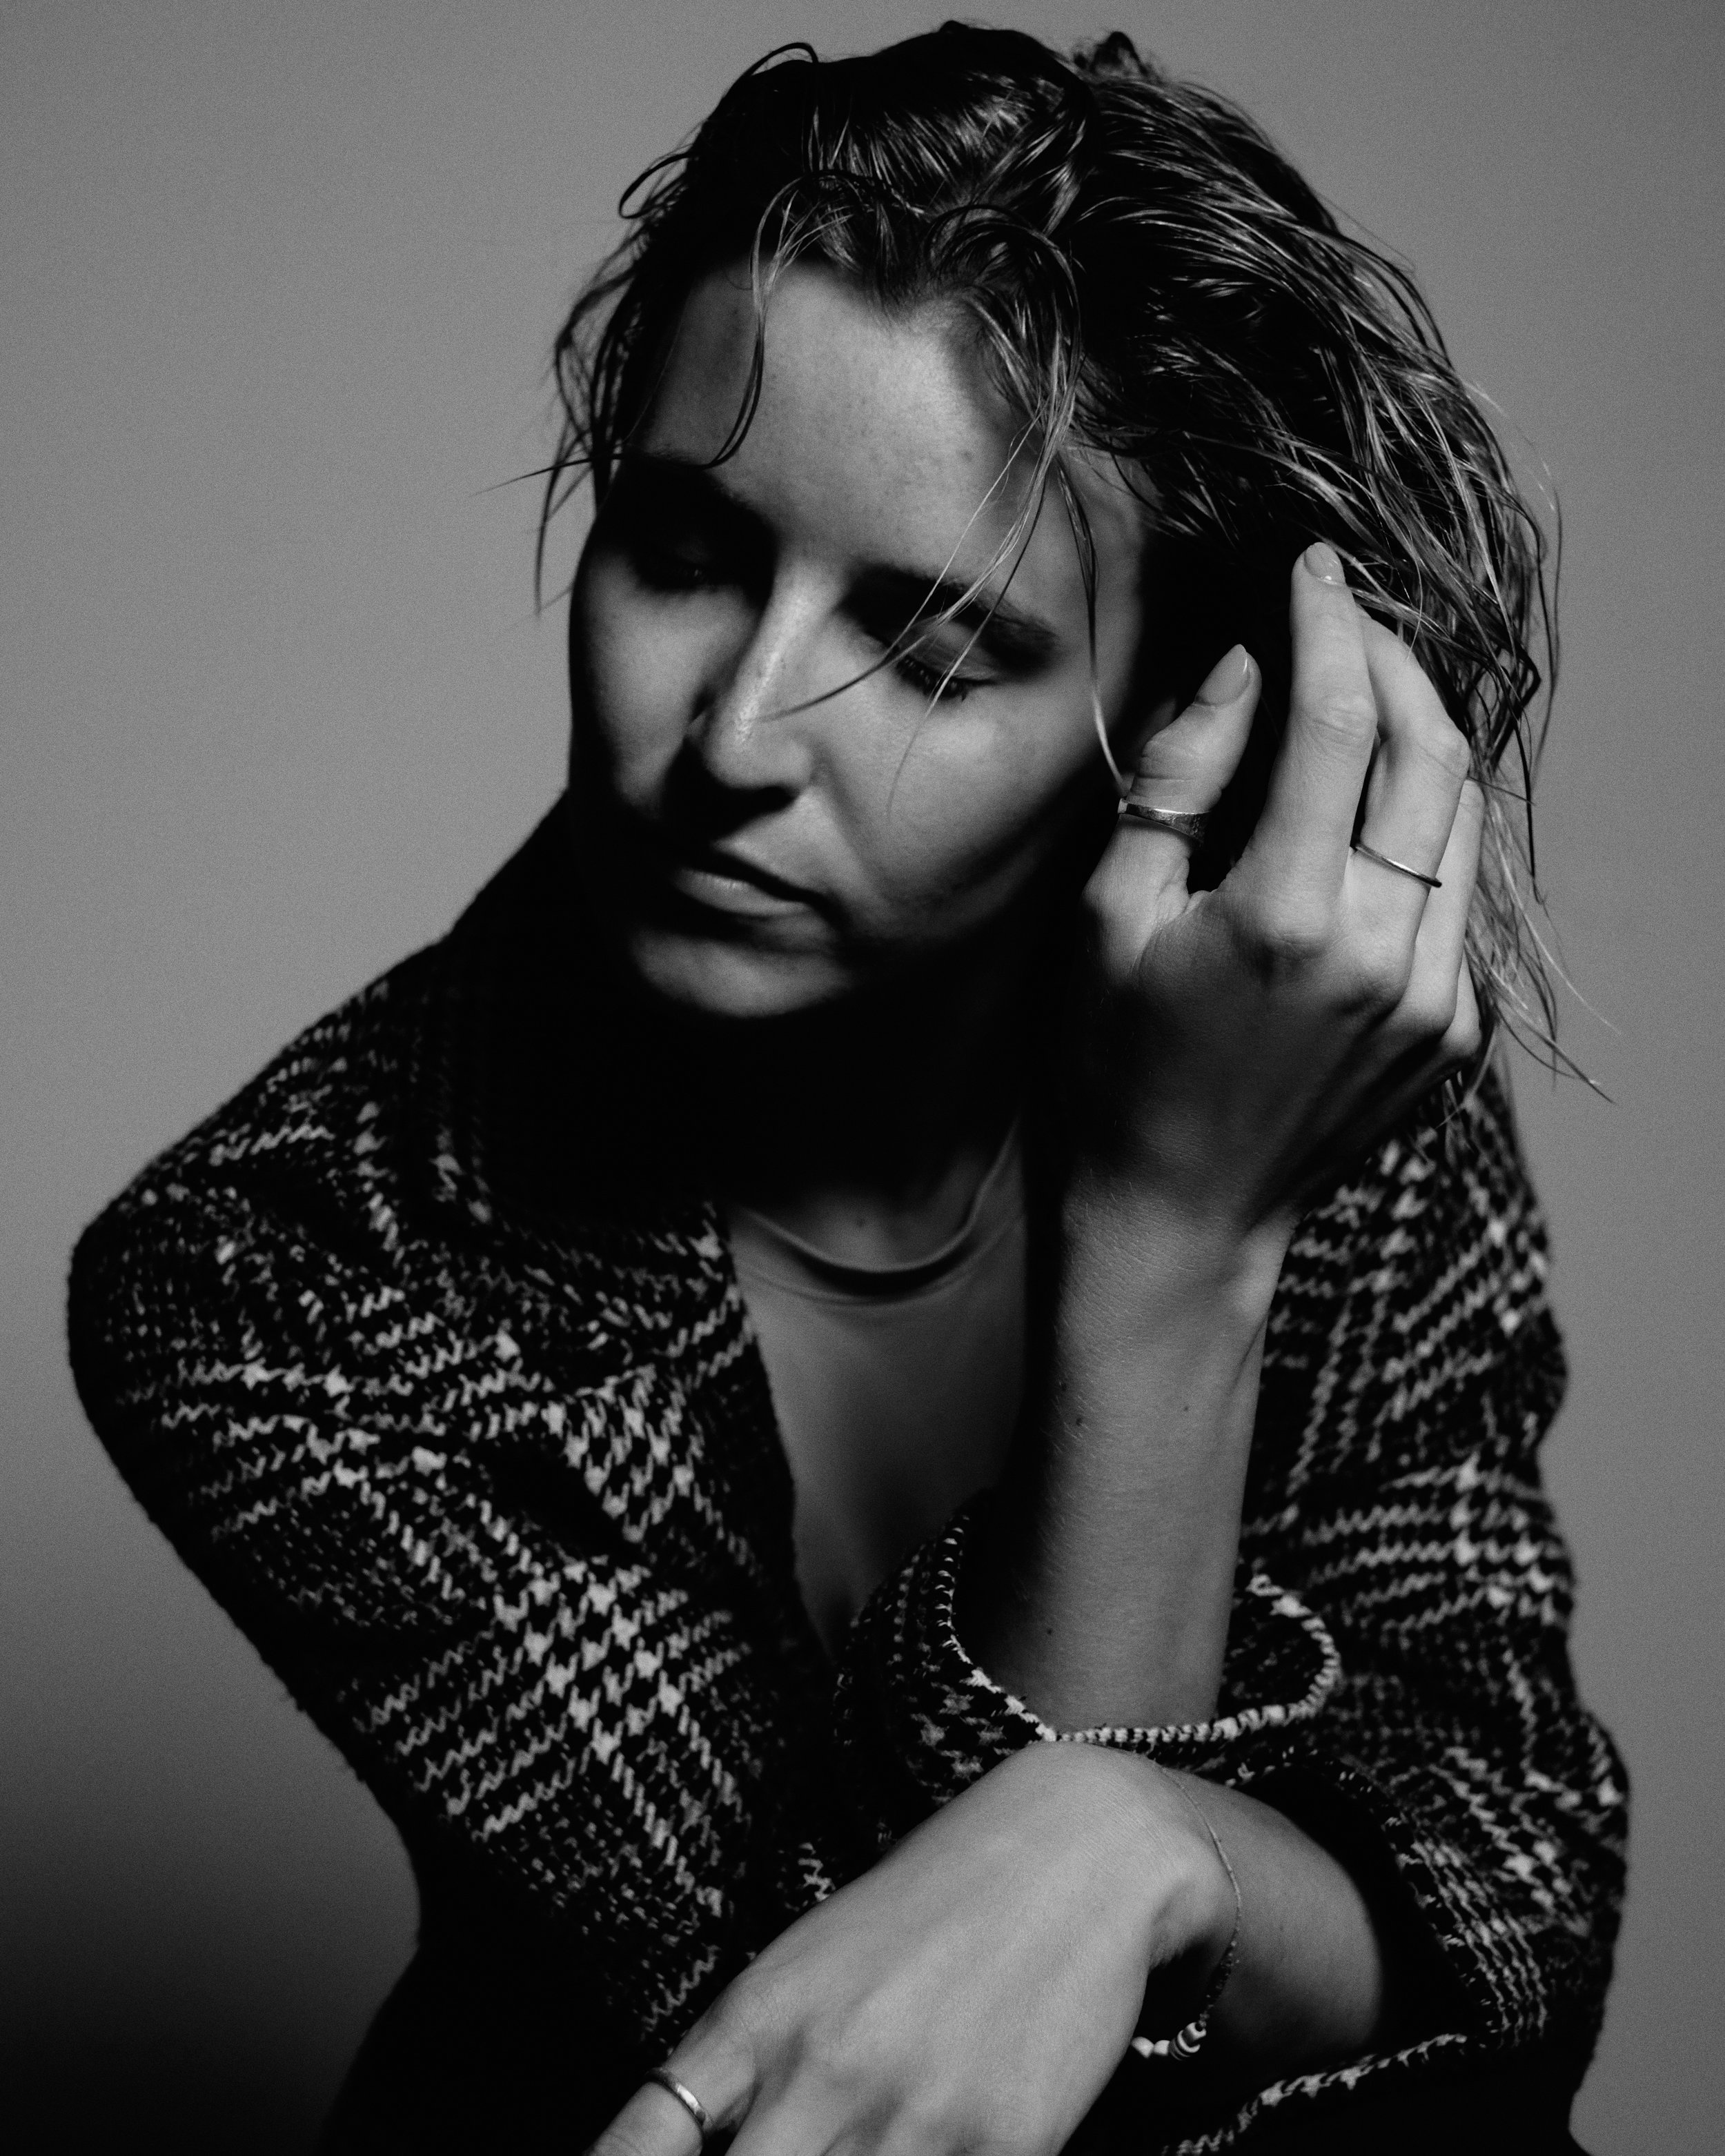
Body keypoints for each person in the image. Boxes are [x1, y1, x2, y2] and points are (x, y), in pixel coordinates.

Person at [67, 24, 1626, 2155]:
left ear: (1167, 726)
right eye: (689, 554)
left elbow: (1518, 1905)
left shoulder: (1308, 1056)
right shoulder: (279, 1272)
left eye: (933, 642)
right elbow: (916, 2081)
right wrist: (1175, 1251)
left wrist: (1131, 1861)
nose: (729, 743)